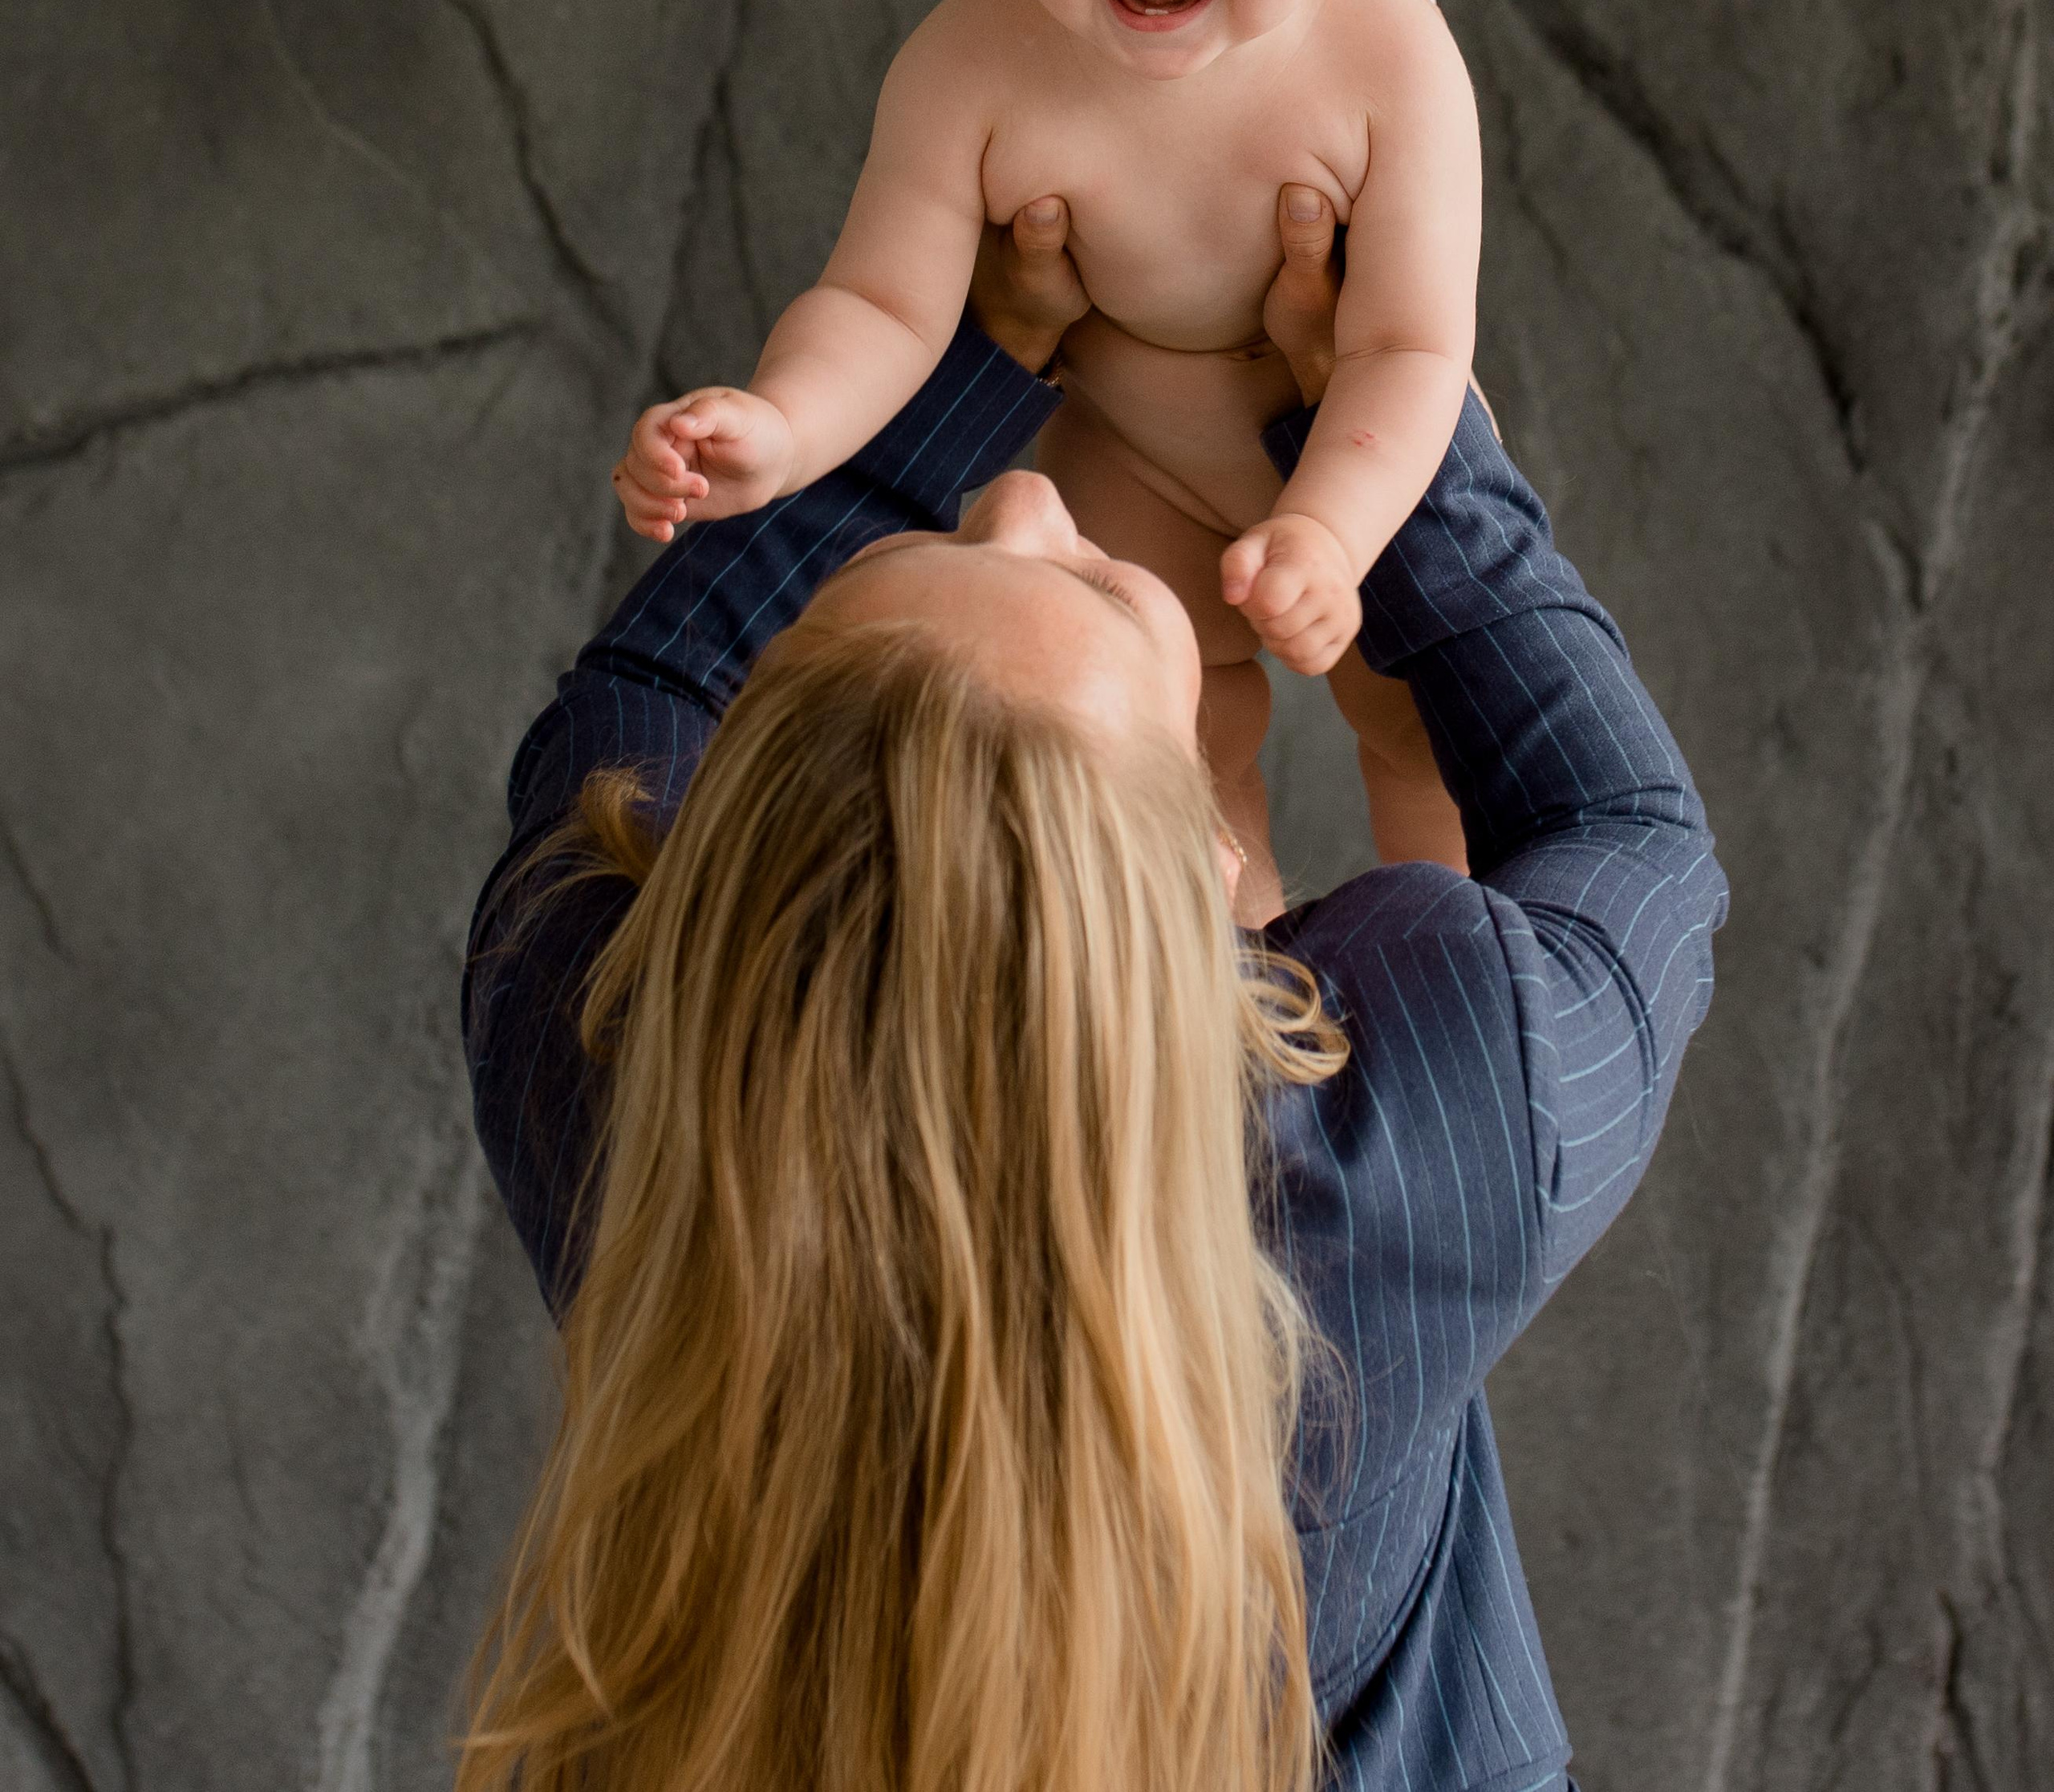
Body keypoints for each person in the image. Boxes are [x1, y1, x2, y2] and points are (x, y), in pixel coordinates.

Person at [461, 184, 1726, 1792]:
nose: (1014, 498)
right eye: (1097, 586)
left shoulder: (590, 1019)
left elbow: (647, 691)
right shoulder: (1427, 1121)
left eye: (947, 532)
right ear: (1211, 881)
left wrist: (988, 340)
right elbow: (1625, 841)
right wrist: (1385, 452)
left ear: (710, 847)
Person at [611, 0, 1479, 893]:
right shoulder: (972, 61)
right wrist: (783, 425)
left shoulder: (1390, 59)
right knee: (1165, 767)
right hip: (1123, 464)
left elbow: (1406, 342)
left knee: (1429, 738)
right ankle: (1223, 1011)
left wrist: (1329, 532)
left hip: (1363, 457)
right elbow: (884, 306)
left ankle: (1444, 981)